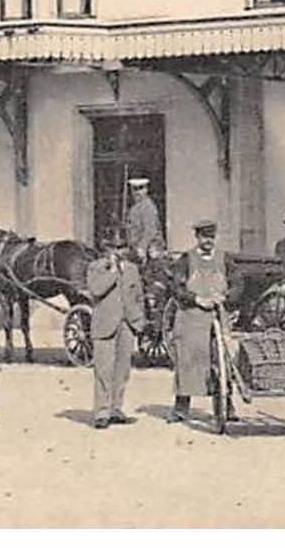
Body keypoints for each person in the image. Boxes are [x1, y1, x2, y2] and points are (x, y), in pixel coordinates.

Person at [168, 219, 241, 426]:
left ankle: (226, 406)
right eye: (204, 237)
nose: (207, 241)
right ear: (197, 237)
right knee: (187, 361)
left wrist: (226, 298)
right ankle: (181, 408)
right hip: (191, 318)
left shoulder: (225, 259)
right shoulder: (185, 259)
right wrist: (197, 299)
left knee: (222, 362)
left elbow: (238, 283)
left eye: (211, 237)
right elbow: (176, 287)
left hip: (218, 317)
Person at [85, 228, 145, 429]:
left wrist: (139, 319)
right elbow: (95, 290)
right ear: (106, 248)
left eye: (122, 247)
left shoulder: (132, 269)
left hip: (126, 324)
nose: (119, 252)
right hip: (104, 325)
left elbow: (138, 296)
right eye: (114, 247)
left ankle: (116, 409)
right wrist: (111, 273)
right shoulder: (96, 267)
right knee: (103, 370)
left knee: (122, 370)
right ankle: (101, 412)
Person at [122, 178, 164, 259]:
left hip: (149, 250)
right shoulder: (134, 208)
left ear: (146, 190)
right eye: (134, 189)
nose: (137, 192)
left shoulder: (148, 207)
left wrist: (142, 247)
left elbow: (150, 230)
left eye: (140, 188)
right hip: (135, 248)